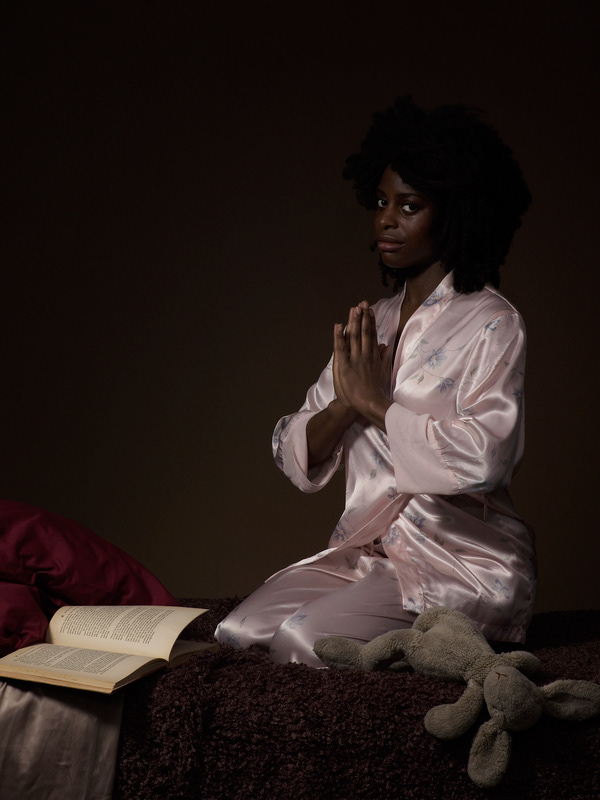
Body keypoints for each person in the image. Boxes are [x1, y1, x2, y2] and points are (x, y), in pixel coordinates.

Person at [215, 96, 536, 667]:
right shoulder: (376, 322)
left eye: (409, 206)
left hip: (462, 562)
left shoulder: (493, 323)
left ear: (457, 213)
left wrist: (378, 405)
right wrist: (348, 404)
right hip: (371, 555)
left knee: (302, 642)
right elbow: (294, 449)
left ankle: (445, 644)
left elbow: (487, 458)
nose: (386, 219)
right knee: (238, 631)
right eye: (382, 201)